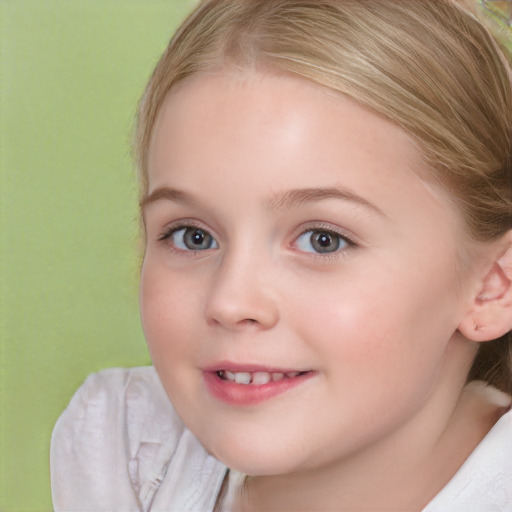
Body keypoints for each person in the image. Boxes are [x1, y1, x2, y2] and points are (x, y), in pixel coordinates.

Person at [50, 0, 512, 510]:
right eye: (192, 236)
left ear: (493, 285)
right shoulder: (126, 455)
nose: (230, 300)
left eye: (322, 239)